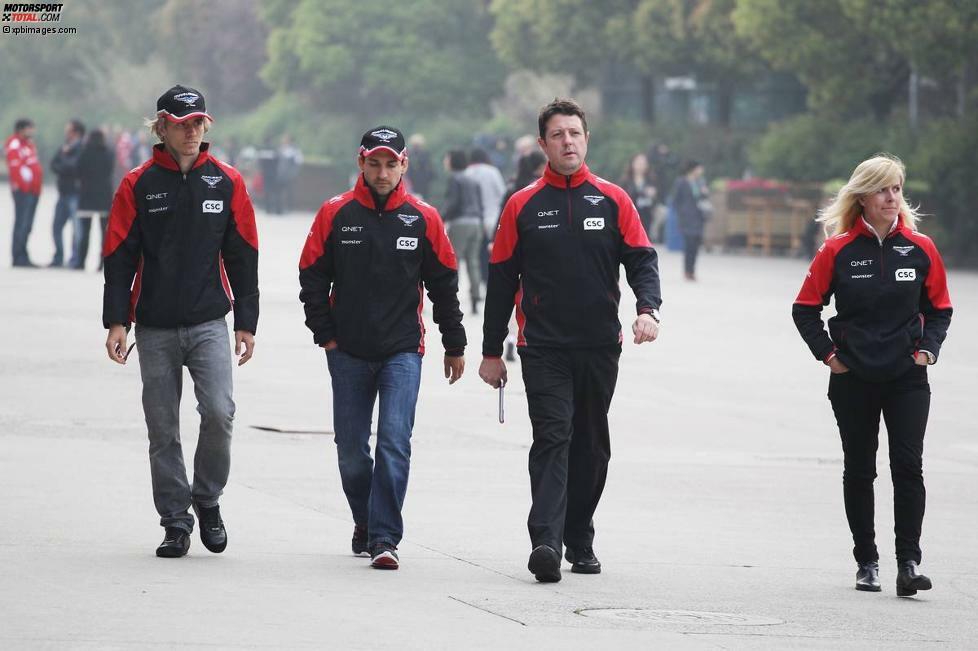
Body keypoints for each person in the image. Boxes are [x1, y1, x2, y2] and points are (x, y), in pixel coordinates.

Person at [479, 98, 662, 583]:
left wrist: (648, 310)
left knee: (592, 445)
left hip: (600, 344)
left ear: (586, 139)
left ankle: (579, 537)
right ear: (543, 144)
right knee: (553, 436)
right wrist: (491, 350)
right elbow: (499, 280)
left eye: (575, 134)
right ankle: (546, 539)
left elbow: (642, 259)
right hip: (542, 346)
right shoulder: (522, 205)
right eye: (558, 135)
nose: (568, 142)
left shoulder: (613, 199)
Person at [299, 126, 466, 570]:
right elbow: (312, 277)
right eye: (374, 162)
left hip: (403, 351)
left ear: (404, 165)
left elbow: (445, 284)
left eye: (391, 163)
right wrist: (326, 334)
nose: (383, 171)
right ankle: (366, 520)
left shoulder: (424, 217)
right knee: (352, 451)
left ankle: (385, 537)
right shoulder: (335, 213)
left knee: (395, 441)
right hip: (348, 350)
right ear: (361, 163)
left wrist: (455, 344)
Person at [102, 85, 259, 558]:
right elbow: (119, 255)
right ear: (162, 127)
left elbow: (244, 255)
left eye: (198, 124)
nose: (191, 132)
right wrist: (116, 322)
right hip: (154, 326)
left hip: (210, 320)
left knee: (219, 413)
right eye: (181, 124)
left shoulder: (227, 182)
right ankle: (175, 521)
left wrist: (246, 323)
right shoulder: (138, 183)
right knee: (162, 427)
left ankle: (207, 499)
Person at [792, 153, 952, 597]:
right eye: (883, 189)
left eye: (897, 188)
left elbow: (939, 310)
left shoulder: (921, 249)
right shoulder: (837, 249)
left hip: (906, 377)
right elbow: (805, 309)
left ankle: (908, 563)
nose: (892, 196)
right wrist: (829, 356)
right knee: (860, 470)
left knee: (908, 466)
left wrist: (927, 352)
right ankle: (867, 562)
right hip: (854, 377)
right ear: (862, 197)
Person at [442, 149, 484, 314]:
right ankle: (475, 299)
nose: (445, 161)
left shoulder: (454, 178)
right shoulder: (473, 180)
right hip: (476, 222)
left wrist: (440, 218)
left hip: (460, 223)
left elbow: (453, 202)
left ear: (452, 161)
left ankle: (451, 297)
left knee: (455, 260)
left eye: (447, 158)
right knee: (473, 261)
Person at [69, 128, 114, 270]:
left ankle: (81, 262)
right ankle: (102, 263)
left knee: (85, 232)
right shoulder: (109, 153)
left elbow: (77, 171)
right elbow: (110, 171)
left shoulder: (84, 153)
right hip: (104, 196)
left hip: (86, 195)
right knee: (104, 233)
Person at [465, 147, 507, 289]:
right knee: (492, 250)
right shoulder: (492, 171)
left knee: (477, 253)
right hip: (493, 216)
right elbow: (502, 193)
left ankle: (480, 281)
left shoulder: (467, 173)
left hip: (474, 219)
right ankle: (491, 279)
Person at [5, 118, 43, 267]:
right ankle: (18, 256)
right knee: (21, 223)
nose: (32, 131)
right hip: (23, 191)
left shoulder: (29, 145)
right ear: (21, 129)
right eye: (29, 128)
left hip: (33, 191)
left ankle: (24, 255)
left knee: (27, 224)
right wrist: (24, 186)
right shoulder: (14, 144)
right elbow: (16, 169)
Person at [48, 119, 85, 267]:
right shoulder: (65, 147)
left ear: (76, 132)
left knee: (77, 229)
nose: (66, 133)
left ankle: (74, 259)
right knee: (56, 226)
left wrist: (63, 161)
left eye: (68, 130)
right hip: (62, 193)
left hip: (75, 194)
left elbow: (74, 167)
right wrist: (64, 162)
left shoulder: (82, 148)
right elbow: (52, 164)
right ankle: (58, 257)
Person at [670, 160, 711, 280]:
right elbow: (676, 200)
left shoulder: (701, 182)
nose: (701, 171)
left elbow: (704, 198)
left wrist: (705, 192)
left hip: (698, 216)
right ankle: (687, 270)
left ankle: (692, 270)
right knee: (689, 244)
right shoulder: (681, 182)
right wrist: (680, 214)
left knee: (696, 244)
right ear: (693, 169)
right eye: (699, 168)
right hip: (686, 218)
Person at [619, 152, 658, 237]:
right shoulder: (626, 180)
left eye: (643, 163)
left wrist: (653, 194)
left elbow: (656, 197)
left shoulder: (651, 179)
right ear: (632, 164)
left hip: (647, 214)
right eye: (638, 163)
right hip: (630, 214)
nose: (641, 166)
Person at [278, 133, 303, 213]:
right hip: (280, 173)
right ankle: (281, 207)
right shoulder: (280, 149)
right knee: (280, 190)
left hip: (289, 174)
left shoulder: (295, 150)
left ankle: (289, 207)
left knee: (289, 191)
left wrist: (293, 172)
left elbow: (298, 161)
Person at [406, 133, 435, 200]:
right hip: (413, 181)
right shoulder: (410, 154)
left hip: (423, 181)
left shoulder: (425, 154)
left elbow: (429, 168)